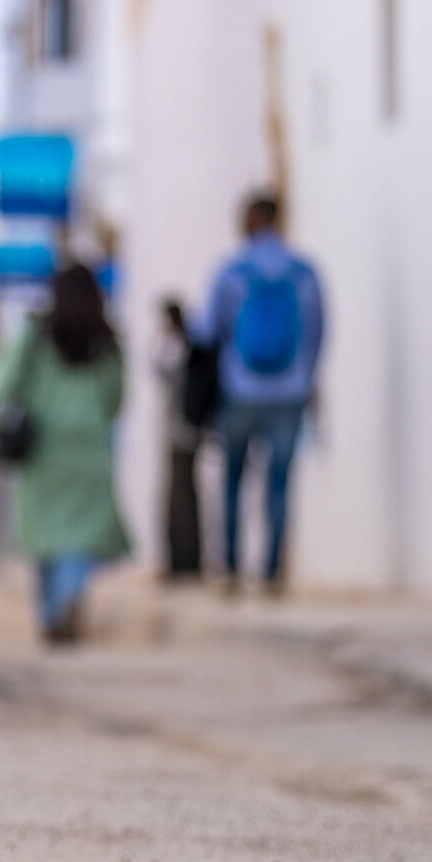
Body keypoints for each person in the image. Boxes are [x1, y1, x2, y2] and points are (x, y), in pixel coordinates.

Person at [0, 262, 129, 643]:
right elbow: (116, 397)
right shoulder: (106, 340)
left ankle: (51, 612)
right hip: (88, 448)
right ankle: (69, 596)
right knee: (80, 535)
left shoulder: (36, 334)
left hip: (43, 449)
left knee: (45, 536)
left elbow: (1, 383)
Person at [195, 193, 325, 594]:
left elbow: (206, 330)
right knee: (280, 483)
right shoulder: (304, 272)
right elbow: (319, 331)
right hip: (289, 391)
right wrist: (308, 378)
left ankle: (232, 567)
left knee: (232, 480)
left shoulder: (232, 271)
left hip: (240, 388)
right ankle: (271, 571)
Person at [155, 295, 214, 579]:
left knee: (179, 497)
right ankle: (185, 560)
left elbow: (162, 370)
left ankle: (184, 562)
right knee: (185, 494)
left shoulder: (179, 347)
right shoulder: (190, 346)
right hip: (187, 430)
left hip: (181, 432)